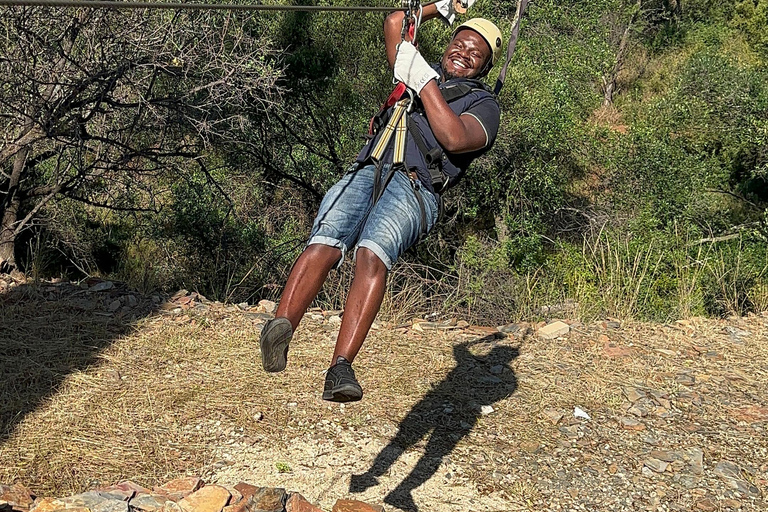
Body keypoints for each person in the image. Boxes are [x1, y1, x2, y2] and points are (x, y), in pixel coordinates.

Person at [259, 1, 503, 402]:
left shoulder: (483, 106)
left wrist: (422, 82)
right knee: (325, 240)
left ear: (484, 67)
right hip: (370, 166)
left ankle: (340, 368)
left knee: (372, 254)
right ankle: (281, 326)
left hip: (416, 187)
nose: (463, 53)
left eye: (476, 53)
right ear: (447, 48)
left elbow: (456, 139)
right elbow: (395, 22)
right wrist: (438, 7)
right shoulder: (413, 74)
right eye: (459, 44)